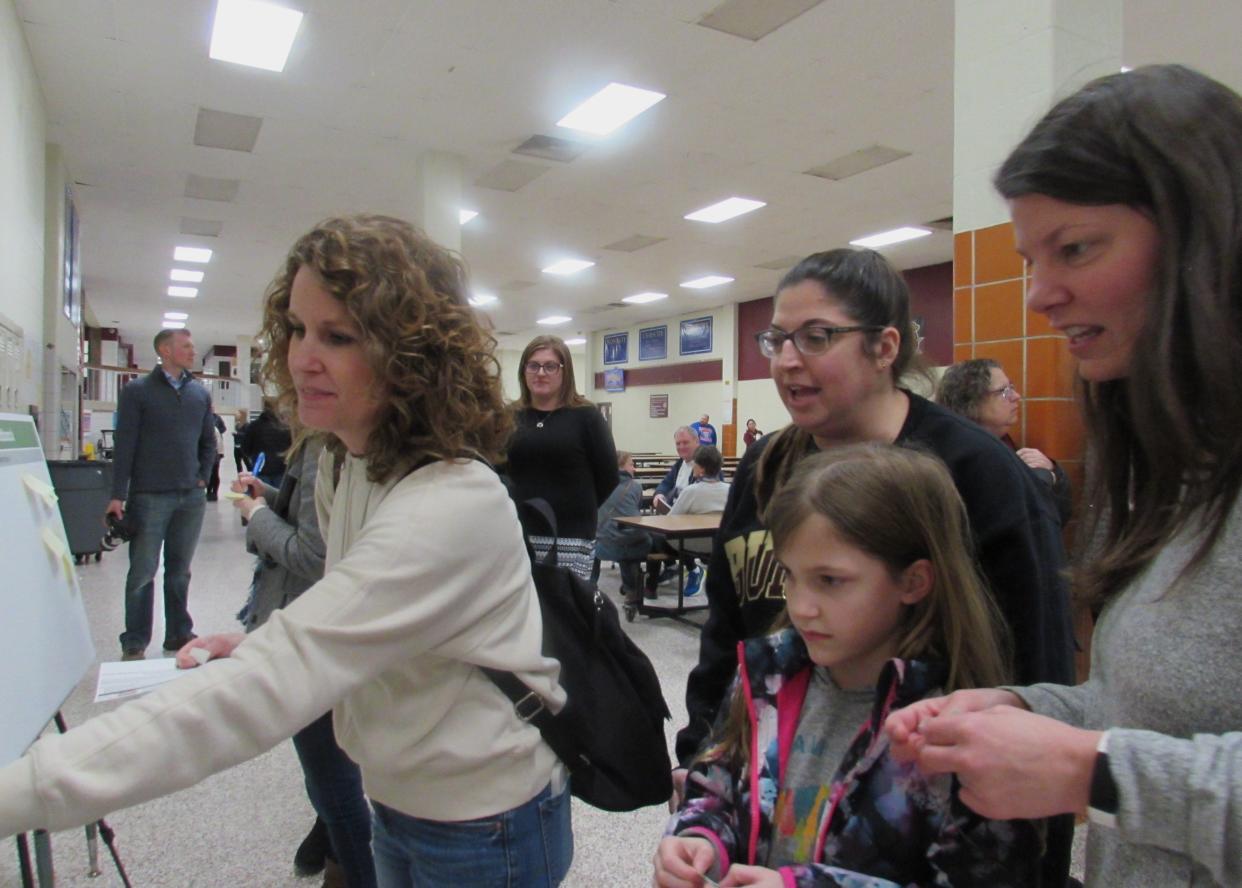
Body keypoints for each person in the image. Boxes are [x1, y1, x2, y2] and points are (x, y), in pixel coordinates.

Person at [0, 215, 573, 888]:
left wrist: (21, 790)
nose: (303, 356)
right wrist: (258, 641)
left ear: (409, 356)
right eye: (298, 328)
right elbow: (355, 613)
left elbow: (259, 695)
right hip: (400, 799)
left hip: (485, 824)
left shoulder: (449, 506)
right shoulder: (349, 462)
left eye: (337, 336)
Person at [885, 64, 1242, 888]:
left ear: (1203, 234)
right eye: (1029, 258)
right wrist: (1028, 712)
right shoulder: (1166, 463)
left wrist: (1092, 773)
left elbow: (1128, 764)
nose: (1040, 294)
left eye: (1076, 248)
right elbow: (1159, 720)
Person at [676, 246, 1075, 884]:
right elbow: (729, 630)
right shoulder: (765, 466)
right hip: (770, 813)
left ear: (885, 347)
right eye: (777, 338)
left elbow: (1037, 662)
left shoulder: (976, 473)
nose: (786, 360)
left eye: (816, 336)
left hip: (919, 820)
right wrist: (701, 761)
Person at [654, 444, 1041, 887]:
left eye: (830, 581)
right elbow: (718, 783)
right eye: (789, 575)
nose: (800, 607)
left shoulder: (960, 731)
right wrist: (700, 838)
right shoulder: (766, 674)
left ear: (913, 582)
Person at [228, 433, 375, 888]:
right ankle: (334, 854)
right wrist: (269, 496)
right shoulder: (328, 441)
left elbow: (313, 554)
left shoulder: (326, 446)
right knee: (331, 770)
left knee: (332, 783)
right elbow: (315, 520)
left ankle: (356, 869)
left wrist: (256, 515)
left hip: (309, 627)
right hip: (324, 627)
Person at [105, 327, 216, 660]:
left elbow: (207, 442)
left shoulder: (199, 393)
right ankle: (135, 638)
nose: (192, 351)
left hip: (190, 498)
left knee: (180, 570)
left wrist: (202, 478)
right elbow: (124, 446)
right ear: (165, 351)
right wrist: (117, 495)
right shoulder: (138, 392)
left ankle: (178, 632)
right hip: (149, 496)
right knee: (142, 570)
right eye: (186, 346)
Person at [505, 334, 617, 580]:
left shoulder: (586, 416)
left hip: (572, 533)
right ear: (524, 370)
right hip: (519, 530)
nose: (541, 373)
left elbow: (608, 476)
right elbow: (500, 470)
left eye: (550, 366)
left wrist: (576, 505)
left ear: (564, 372)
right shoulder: (509, 417)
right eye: (533, 365)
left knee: (568, 609)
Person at [937, 358, 1072, 524]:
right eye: (1003, 391)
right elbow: (1014, 518)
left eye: (1012, 387)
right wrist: (1043, 478)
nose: (1016, 396)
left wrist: (1053, 472)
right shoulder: (956, 454)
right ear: (972, 401)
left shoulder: (1002, 442)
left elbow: (1055, 519)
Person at [662, 445, 730, 598]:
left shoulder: (691, 491)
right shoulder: (730, 490)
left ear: (700, 469)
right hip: (721, 542)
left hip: (692, 542)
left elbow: (669, 520)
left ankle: (686, 569)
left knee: (659, 538)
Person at [594, 451, 652, 608]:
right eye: (631, 464)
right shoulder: (635, 486)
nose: (634, 469)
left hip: (603, 547)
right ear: (622, 466)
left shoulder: (598, 484)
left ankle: (592, 585)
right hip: (637, 546)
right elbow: (637, 511)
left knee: (612, 536)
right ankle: (639, 588)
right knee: (632, 537)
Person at [241, 398, 292, 488]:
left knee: (261, 496)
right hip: (281, 468)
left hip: (260, 467)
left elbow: (245, 447)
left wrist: (252, 457)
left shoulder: (254, 426)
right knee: (278, 498)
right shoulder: (285, 427)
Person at [652, 425, 700, 514]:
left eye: (685, 443)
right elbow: (666, 483)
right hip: (674, 513)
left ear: (697, 442)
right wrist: (659, 494)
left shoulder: (706, 465)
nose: (681, 447)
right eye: (678, 444)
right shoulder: (680, 463)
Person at [206, 413, 227, 501]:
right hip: (209, 453)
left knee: (214, 473)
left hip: (214, 454)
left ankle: (214, 492)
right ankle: (209, 491)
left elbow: (219, 442)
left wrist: (220, 453)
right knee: (209, 473)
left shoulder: (216, 422)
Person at [233, 407, 250, 472]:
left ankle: (250, 478)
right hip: (236, 446)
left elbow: (246, 435)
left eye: (239, 413)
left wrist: (237, 434)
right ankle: (240, 478)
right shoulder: (237, 425)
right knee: (238, 464)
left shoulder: (247, 425)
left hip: (243, 447)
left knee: (247, 463)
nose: (237, 415)